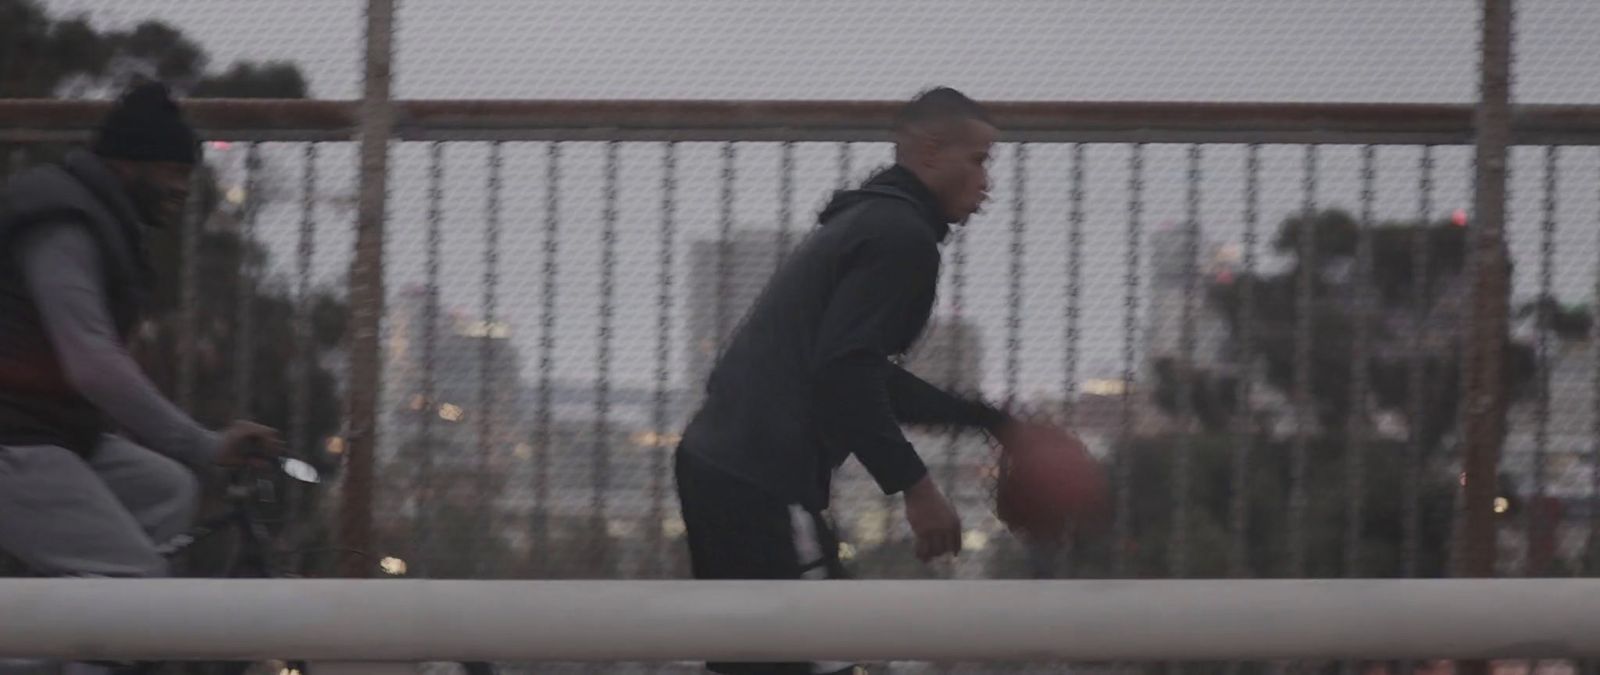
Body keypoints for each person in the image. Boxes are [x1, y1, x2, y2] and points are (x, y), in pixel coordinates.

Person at [674, 87, 1012, 675]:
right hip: (759, 478)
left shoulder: (871, 221)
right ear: (931, 153)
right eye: (979, 160)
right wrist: (917, 487)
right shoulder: (901, 239)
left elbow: (858, 372)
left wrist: (991, 421)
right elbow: (844, 375)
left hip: (724, 465)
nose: (988, 183)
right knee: (816, 658)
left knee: (760, 664)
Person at [0, 81, 283, 586]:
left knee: (165, 489)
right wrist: (202, 444)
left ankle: (106, 652)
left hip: (48, 431)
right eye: (172, 173)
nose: (183, 189)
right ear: (126, 164)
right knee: (133, 580)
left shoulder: (99, 221)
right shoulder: (62, 226)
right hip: (14, 439)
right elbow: (92, 363)